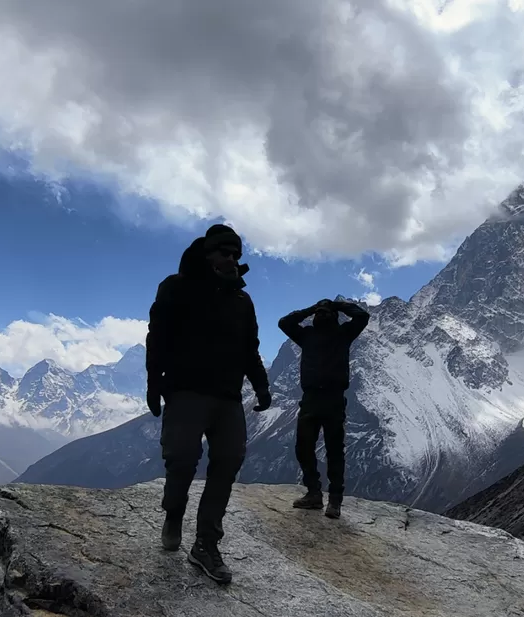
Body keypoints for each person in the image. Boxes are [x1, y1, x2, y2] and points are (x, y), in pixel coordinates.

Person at [145, 223, 272, 585]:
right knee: (182, 460)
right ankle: (173, 515)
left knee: (228, 461)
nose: (230, 259)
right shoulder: (176, 288)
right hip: (185, 391)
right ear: (207, 252)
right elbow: (158, 338)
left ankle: (206, 544)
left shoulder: (241, 300)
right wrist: (155, 385)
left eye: (236, 254)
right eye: (223, 252)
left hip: (227, 397)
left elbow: (250, 349)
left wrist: (261, 388)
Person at [277, 297, 369, 519]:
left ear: (334, 316)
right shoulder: (307, 336)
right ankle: (314, 493)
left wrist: (337, 305)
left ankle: (334, 500)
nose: (321, 314)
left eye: (325, 312)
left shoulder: (343, 334)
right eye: (318, 312)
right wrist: (312, 307)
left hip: (332, 398)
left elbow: (362, 316)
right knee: (303, 446)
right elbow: (284, 323)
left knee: (334, 449)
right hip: (311, 398)